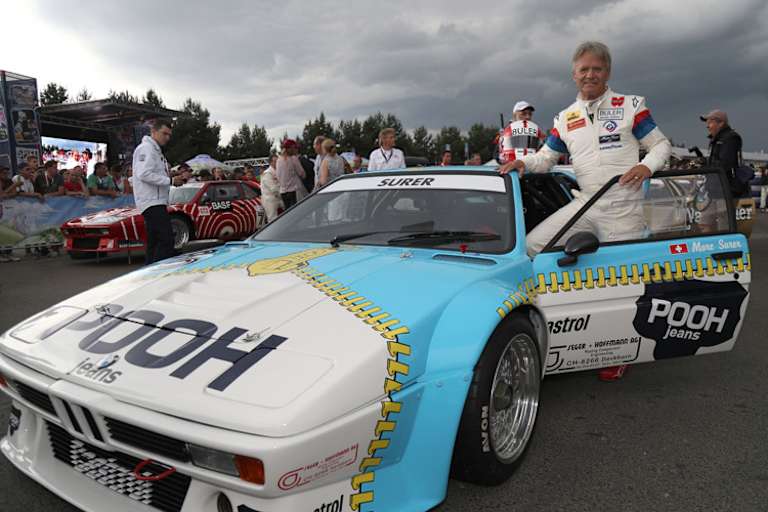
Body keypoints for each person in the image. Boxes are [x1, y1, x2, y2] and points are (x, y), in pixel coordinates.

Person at [499, 41, 671, 382]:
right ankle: (540, 327)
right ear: (574, 75)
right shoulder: (566, 117)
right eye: (584, 69)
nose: (590, 74)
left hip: (623, 207)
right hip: (585, 203)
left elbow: (660, 144)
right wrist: (521, 161)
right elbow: (546, 159)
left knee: (624, 285)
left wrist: (647, 166)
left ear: (607, 72)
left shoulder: (630, 106)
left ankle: (620, 352)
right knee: (532, 247)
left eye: (597, 68)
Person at [133, 118, 174, 264]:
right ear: (153, 131)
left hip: (156, 201)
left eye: (169, 135)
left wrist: (169, 176)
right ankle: (157, 273)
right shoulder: (147, 149)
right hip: (151, 202)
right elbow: (143, 174)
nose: (167, 138)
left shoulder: (154, 150)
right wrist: (170, 181)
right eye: (165, 133)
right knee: (166, 240)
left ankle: (148, 272)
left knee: (155, 242)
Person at [701, 110, 747, 198]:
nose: (707, 126)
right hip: (717, 190)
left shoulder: (731, 138)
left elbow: (724, 164)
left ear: (721, 123)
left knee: (722, 212)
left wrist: (705, 167)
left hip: (726, 191)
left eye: (710, 122)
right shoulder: (718, 140)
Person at [276, 139, 307, 209]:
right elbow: (302, 174)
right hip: (294, 191)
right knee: (299, 211)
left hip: (283, 192)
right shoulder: (293, 159)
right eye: (295, 148)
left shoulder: (278, 160)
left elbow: (278, 176)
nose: (296, 150)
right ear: (290, 149)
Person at [260, 154, 283, 222]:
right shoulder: (267, 173)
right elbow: (273, 188)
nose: (277, 163)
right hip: (270, 199)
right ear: (270, 162)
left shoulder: (278, 171)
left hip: (278, 197)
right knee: (273, 219)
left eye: (278, 161)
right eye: (275, 161)